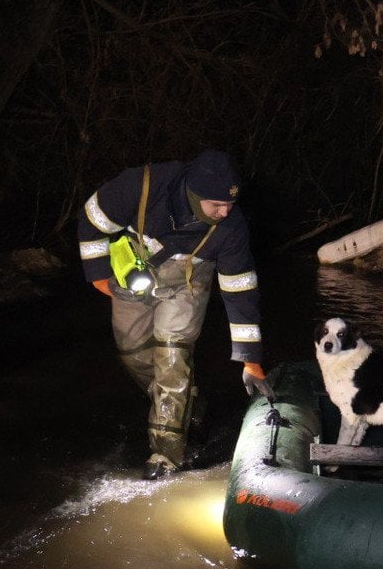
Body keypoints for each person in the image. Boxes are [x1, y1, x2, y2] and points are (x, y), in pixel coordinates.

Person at [77, 149, 271, 480]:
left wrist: (250, 358)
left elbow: (240, 290)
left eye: (230, 205)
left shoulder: (232, 228)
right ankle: (190, 405)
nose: (225, 212)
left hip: (187, 282)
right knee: (134, 353)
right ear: (194, 194)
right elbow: (92, 217)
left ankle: (166, 454)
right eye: (216, 205)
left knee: (171, 356)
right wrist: (97, 272)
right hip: (134, 276)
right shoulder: (141, 185)